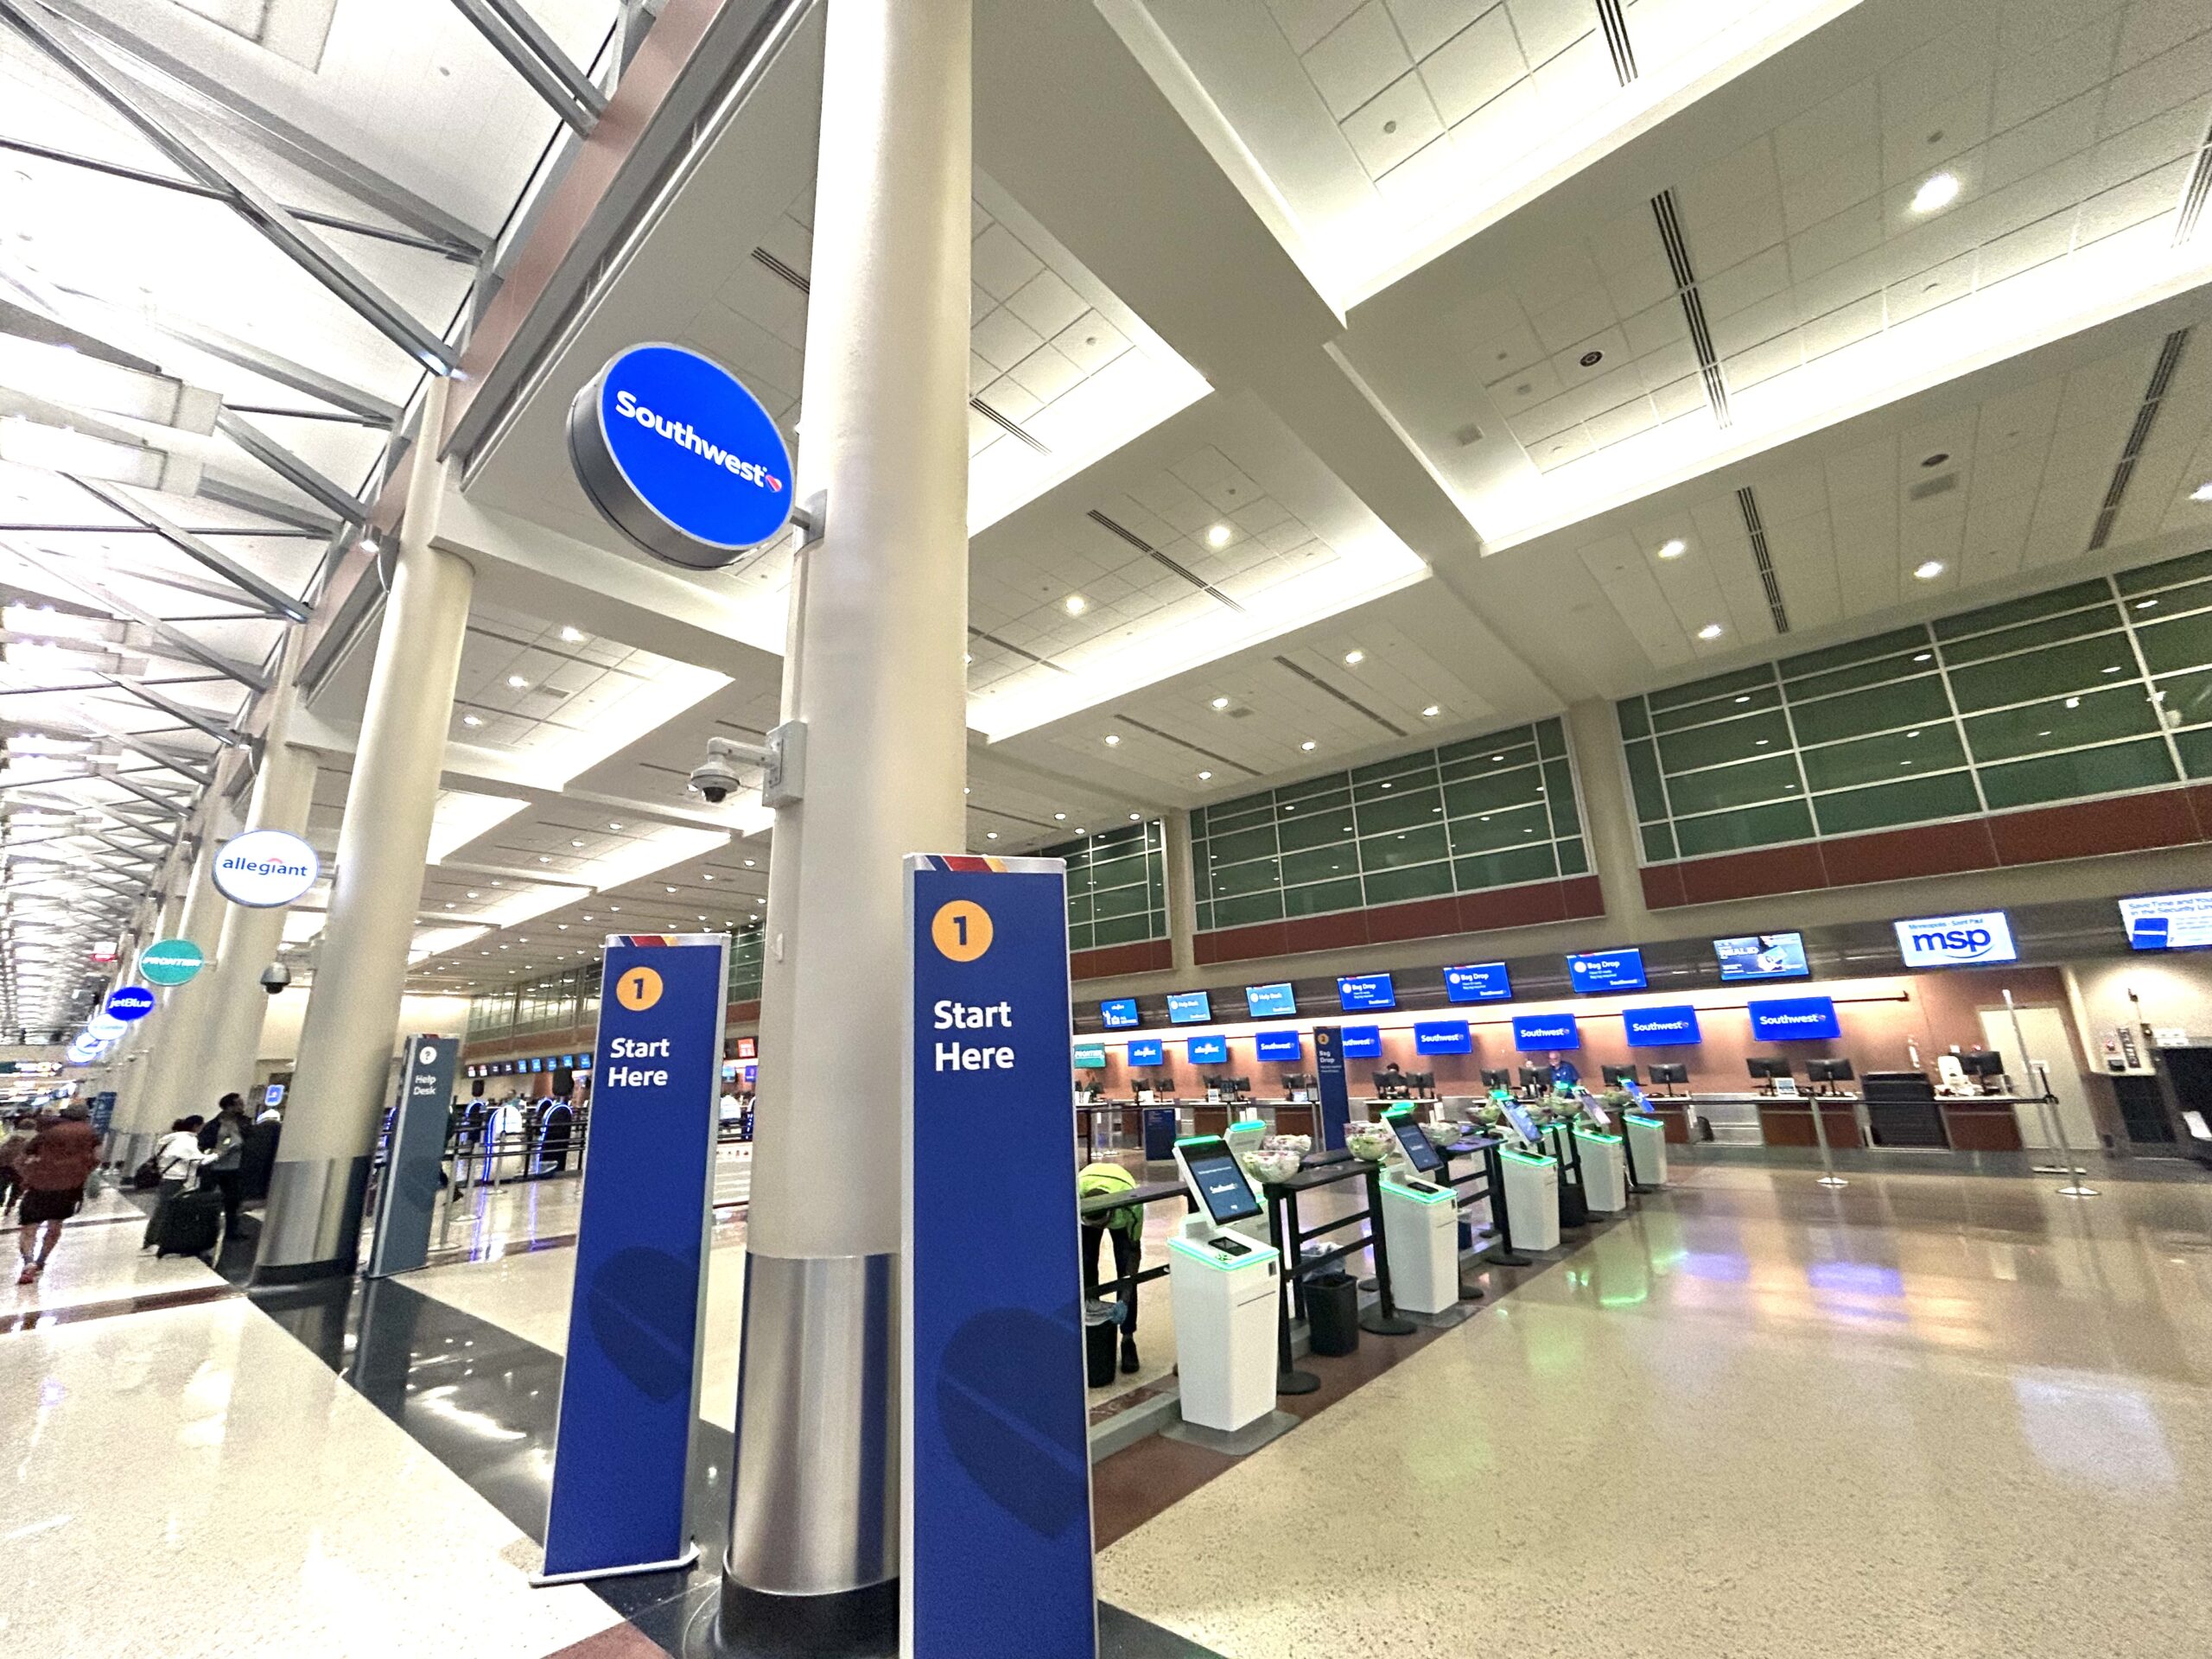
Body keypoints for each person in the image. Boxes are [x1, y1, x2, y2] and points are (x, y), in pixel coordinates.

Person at [16, 1104, 99, 1284]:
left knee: (29, 1228)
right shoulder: (91, 1133)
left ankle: (28, 1262)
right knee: (54, 1227)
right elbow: (97, 1158)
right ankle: (41, 1262)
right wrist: (80, 1172)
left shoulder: (47, 1132)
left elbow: (22, 1159)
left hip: (39, 1186)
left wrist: (30, 1174)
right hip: (69, 1188)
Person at [1077, 1160, 1144, 1375]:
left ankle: (1127, 1339)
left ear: (1110, 1217)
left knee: (1124, 1266)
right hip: (1088, 1183)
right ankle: (1091, 1328)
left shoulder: (1131, 1208)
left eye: (1101, 1225)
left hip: (1121, 1192)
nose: (1099, 1230)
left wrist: (1124, 1300)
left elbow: (1134, 1256)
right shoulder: (1077, 1197)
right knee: (1087, 1262)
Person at [142, 1116, 207, 1251]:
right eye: (201, 1125)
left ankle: (154, 1238)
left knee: (164, 1209)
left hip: (167, 1177)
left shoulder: (172, 1138)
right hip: (176, 1179)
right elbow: (198, 1160)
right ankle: (156, 1239)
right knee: (166, 1210)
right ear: (196, 1126)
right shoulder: (187, 1140)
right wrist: (217, 1155)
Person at [198, 1094, 252, 1243]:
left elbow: (250, 1140)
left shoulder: (244, 1123)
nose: (242, 1107)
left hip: (234, 1168)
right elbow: (204, 1144)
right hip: (214, 1168)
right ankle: (203, 1230)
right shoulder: (213, 1125)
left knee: (233, 1201)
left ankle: (232, 1231)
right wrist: (219, 1150)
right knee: (208, 1199)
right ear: (229, 1106)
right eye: (239, 1104)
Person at [0, 1111, 36, 1217]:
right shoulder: (36, 1138)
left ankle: (1, 1202)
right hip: (23, 1168)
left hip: (5, 1166)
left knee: (2, 1185)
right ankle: (10, 1205)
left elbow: (2, 1149)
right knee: (17, 1188)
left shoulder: (10, 1136)